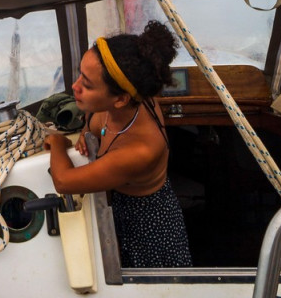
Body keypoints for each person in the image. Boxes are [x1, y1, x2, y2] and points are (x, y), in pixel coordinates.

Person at [43, 20, 192, 268]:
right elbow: (93, 119)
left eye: (87, 85)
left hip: (149, 226)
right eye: (81, 75)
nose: (74, 86)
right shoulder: (126, 97)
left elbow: (64, 181)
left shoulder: (141, 150)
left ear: (121, 99)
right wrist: (84, 132)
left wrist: (58, 144)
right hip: (120, 205)